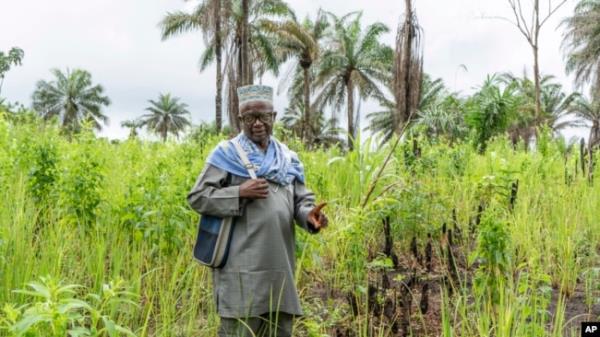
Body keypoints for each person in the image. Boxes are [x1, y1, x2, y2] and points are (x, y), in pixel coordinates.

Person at [187, 85, 328, 337]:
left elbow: (300, 200)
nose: (257, 124)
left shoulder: (287, 158)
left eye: (263, 116)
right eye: (250, 118)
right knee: (239, 329)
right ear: (240, 120)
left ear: (273, 117)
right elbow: (198, 197)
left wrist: (308, 215)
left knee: (279, 328)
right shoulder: (226, 154)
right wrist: (239, 192)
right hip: (240, 266)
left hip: (279, 265)